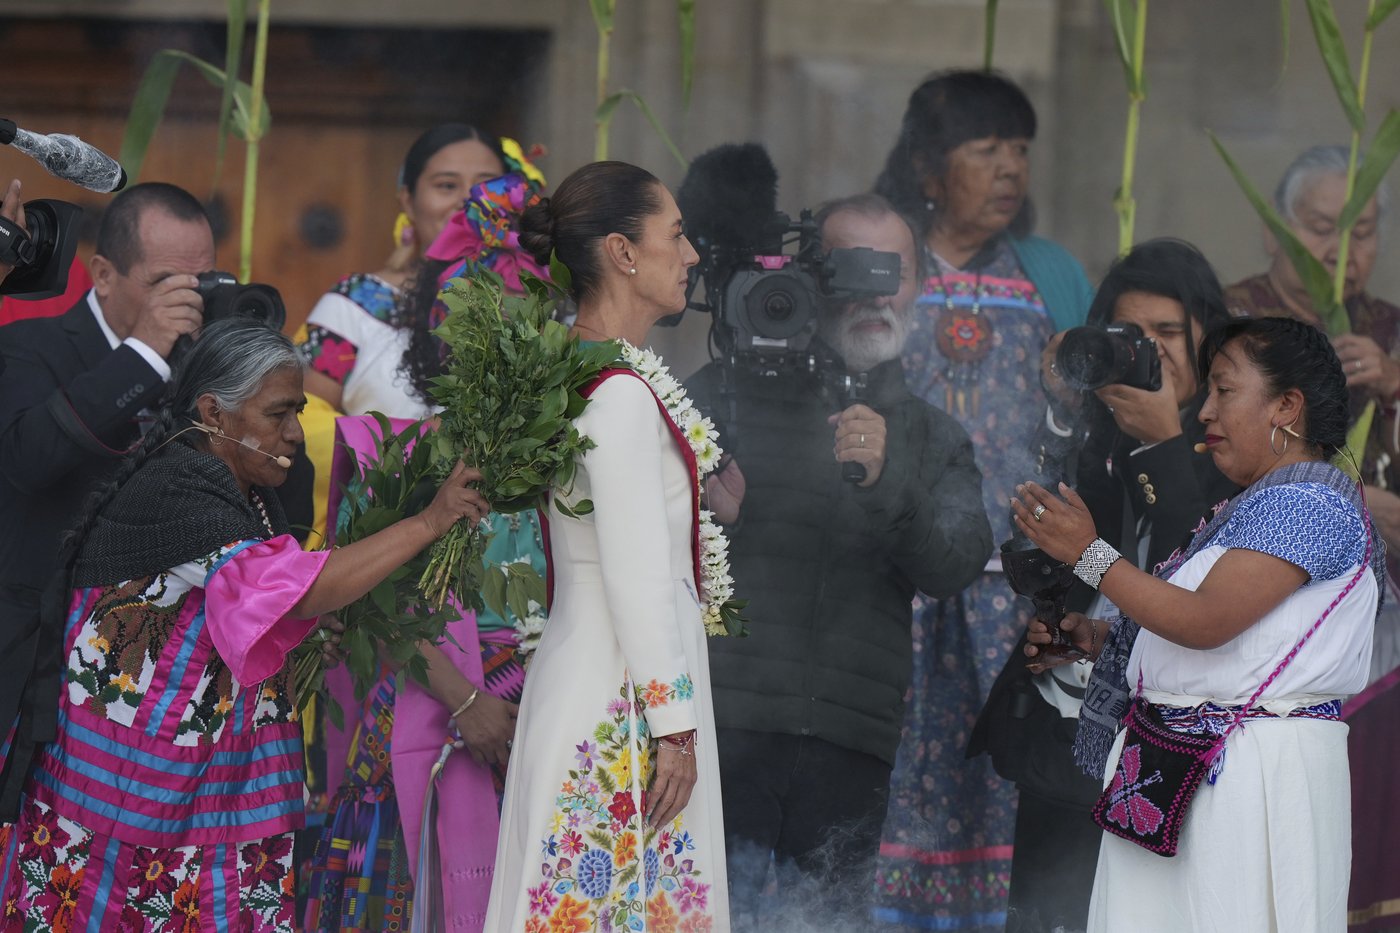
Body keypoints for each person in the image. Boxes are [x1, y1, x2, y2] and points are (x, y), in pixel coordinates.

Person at [0, 317, 490, 930]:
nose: (292, 434)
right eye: (277, 415)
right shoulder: (178, 491)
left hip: (199, 787)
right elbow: (296, 589)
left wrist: (307, 631)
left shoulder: (242, 490)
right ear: (214, 411)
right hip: (129, 787)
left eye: (297, 414)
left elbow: (249, 608)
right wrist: (429, 522)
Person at [1013, 315, 1380, 932]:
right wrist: (1097, 640)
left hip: (1248, 777)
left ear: (1286, 406)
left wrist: (1088, 553)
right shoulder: (1253, 507)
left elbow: (1207, 622)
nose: (1204, 411)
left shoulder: (1310, 502)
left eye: (1225, 390)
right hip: (1190, 766)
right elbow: (1229, 644)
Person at [683, 193, 991, 927]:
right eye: (850, 268)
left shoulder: (932, 433)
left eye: (895, 271)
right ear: (811, 279)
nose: (875, 294)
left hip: (852, 750)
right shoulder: (717, 395)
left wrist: (888, 480)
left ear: (920, 287)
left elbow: (953, 566)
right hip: (723, 737)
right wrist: (711, 520)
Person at [302, 130, 549, 932]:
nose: (470, 203)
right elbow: (364, 583)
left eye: (489, 185)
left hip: (535, 712)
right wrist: (466, 696)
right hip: (417, 680)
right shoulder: (393, 431)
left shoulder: (562, 430)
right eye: (448, 184)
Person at [870, 68, 1093, 930]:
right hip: (903, 592)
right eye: (986, 149)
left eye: (1022, 151)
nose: (1010, 169)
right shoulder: (890, 266)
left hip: (1016, 599)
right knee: (900, 787)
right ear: (928, 170)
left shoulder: (1050, 276)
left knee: (1002, 788)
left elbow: (1088, 421)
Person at [483, 160, 729, 931]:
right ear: (624, 252)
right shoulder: (619, 392)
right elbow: (637, 573)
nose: (690, 255)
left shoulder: (578, 370)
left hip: (589, 665)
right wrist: (675, 730)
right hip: (621, 693)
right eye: (677, 235)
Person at [970, 238, 1238, 932]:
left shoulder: (1237, 449)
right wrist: (1056, 621)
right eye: (1129, 335)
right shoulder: (1095, 433)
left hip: (1171, 751)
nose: (1147, 352)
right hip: (1066, 734)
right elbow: (1040, 551)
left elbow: (1197, 573)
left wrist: (1162, 445)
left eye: (1169, 333)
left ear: (1209, 338)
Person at [0, 182, 213, 818]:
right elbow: (31, 458)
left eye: (198, 283)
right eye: (164, 282)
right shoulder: (28, 347)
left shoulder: (202, 362)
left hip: (155, 681)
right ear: (102, 274)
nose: (186, 302)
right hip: (37, 664)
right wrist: (143, 354)